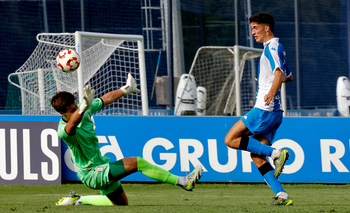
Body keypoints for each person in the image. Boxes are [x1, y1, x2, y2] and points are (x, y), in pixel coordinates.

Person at [51, 73, 203, 206]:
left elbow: (106, 98)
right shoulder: (63, 130)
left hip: (102, 165)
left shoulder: (85, 109)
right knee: (137, 162)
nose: (77, 110)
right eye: (72, 110)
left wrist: (126, 89)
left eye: (76, 106)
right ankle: (184, 181)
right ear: (62, 114)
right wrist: (83, 108)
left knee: (121, 203)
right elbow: (72, 125)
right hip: (91, 173)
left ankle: (77, 200)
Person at [224, 12, 293, 206]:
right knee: (257, 154)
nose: (253, 32)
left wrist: (270, 91)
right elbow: (289, 76)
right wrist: (265, 81)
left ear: (266, 27)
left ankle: (277, 153)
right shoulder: (278, 47)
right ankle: (282, 195)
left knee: (230, 139)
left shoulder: (271, 47)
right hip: (276, 113)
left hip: (264, 108)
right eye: (252, 28)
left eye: (256, 28)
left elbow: (279, 74)